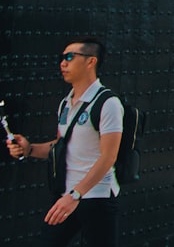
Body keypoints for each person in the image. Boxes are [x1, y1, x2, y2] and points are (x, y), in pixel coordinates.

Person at [6, 36, 124, 247]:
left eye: (70, 57)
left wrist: (76, 195)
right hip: (66, 197)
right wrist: (29, 148)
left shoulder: (108, 103)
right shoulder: (66, 104)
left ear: (91, 61)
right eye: (62, 58)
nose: (63, 63)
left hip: (96, 198)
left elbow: (109, 157)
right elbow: (61, 147)